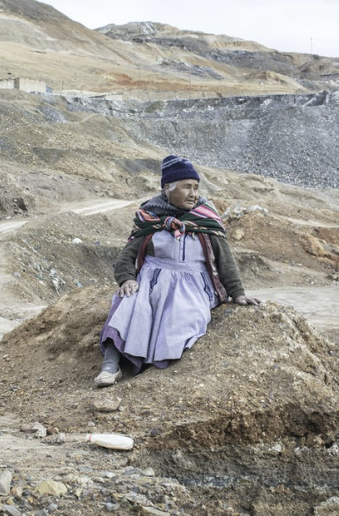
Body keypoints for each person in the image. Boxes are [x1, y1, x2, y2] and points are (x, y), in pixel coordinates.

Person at [94, 154, 261, 388]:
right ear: (167, 188)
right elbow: (126, 256)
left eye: (195, 187)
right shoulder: (150, 215)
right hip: (151, 281)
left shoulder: (206, 217)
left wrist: (238, 292)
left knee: (181, 316)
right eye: (186, 187)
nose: (193, 193)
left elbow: (225, 259)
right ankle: (110, 367)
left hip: (191, 286)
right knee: (130, 306)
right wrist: (126, 279)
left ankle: (151, 372)